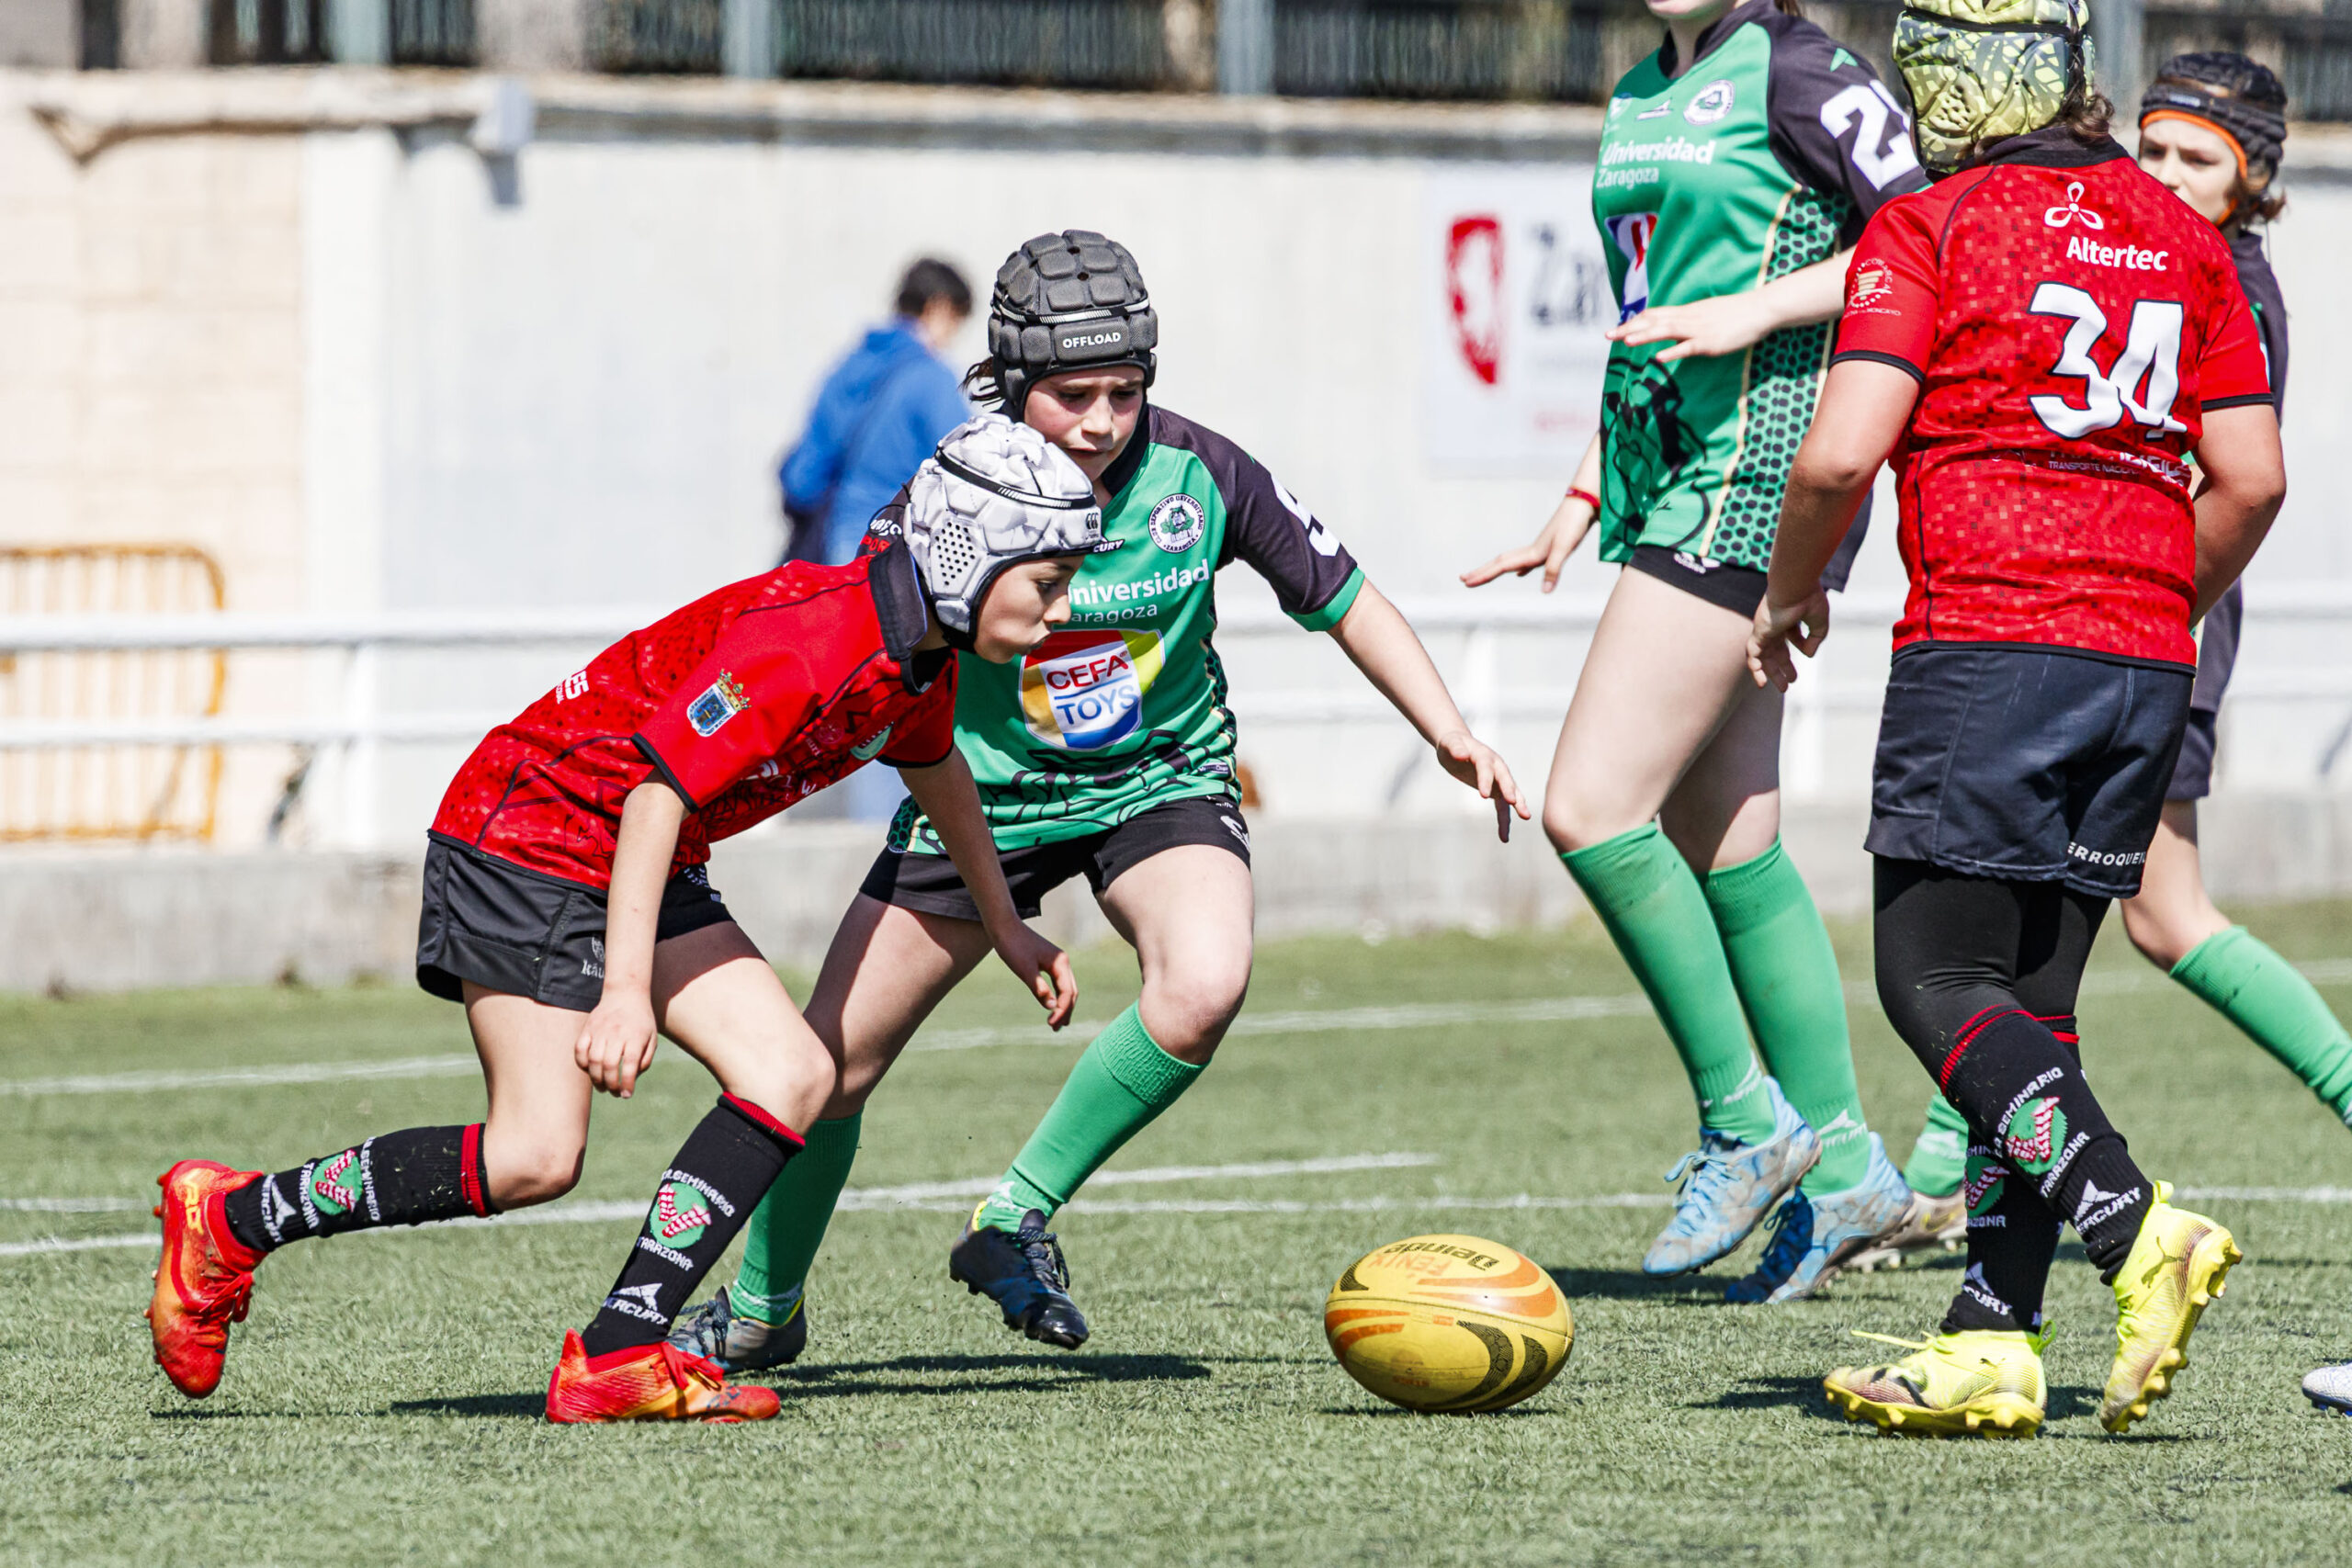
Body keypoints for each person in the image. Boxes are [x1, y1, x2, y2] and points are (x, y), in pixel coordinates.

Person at [665, 229, 1528, 1370]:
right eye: (1072, 395)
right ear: (1015, 386)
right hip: (984, 803)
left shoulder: (1203, 473)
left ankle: (1012, 1217)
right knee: (826, 1065)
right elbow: (854, 646)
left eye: (1124, 392)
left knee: (1205, 982)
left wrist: (1448, 729)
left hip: (1157, 786)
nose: (1101, 420)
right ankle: (766, 1312)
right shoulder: (949, 491)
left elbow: (1344, 596)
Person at [146, 415, 1105, 1423]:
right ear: (968, 554)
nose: (1059, 607)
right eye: (1045, 581)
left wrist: (1004, 923)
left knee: (793, 1071)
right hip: (528, 835)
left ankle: (616, 1352)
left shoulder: (919, 654)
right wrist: (624, 993)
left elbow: (933, 762)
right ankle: (232, 1216)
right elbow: (655, 791)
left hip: (633, 849)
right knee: (534, 1158)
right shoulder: (815, 637)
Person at [1750, 0, 2285, 1436]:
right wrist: (2156, 595)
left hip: (1989, 644)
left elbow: (1841, 450)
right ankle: (1995, 1330)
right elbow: (2252, 475)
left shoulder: (1935, 220)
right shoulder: (2183, 233)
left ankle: (2132, 1224)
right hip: (2139, 663)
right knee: (2029, 1009)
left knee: (1933, 986)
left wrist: (1788, 595)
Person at [1460, 0, 1927, 1303]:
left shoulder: (1801, 70)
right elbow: (1656, 320)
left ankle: (1748, 1122)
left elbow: (1925, 236)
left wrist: (1757, 310)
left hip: (1761, 470)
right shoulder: (1632, 96)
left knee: (1591, 807)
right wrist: (1586, 485)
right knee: (1725, 831)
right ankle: (1844, 1174)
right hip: (1678, 477)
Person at [1856, 51, 2328, 1280]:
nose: (2165, 174)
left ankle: (2116, 1208)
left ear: (2257, 180)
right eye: (2155, 145)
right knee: (2035, 963)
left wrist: (2164, 592)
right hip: (2133, 625)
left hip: (2136, 609)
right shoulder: (2149, 246)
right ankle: (1995, 1308)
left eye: (2199, 159)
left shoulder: (2218, 279)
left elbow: (2245, 478)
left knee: (2046, 945)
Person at [780, 257, 974, 567]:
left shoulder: (851, 364)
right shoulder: (931, 377)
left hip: (837, 535)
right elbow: (966, 466)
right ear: (939, 307)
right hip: (896, 541)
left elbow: (810, 461)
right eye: (957, 321)